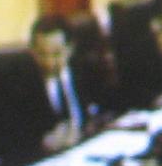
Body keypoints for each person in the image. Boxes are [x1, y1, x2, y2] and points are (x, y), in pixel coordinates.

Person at [23, 15, 115, 158]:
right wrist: (45, 144)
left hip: (90, 149)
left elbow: (106, 109)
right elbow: (21, 143)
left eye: (56, 54)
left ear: (70, 49)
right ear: (32, 51)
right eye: (42, 54)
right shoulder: (24, 87)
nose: (49, 62)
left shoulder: (86, 70)